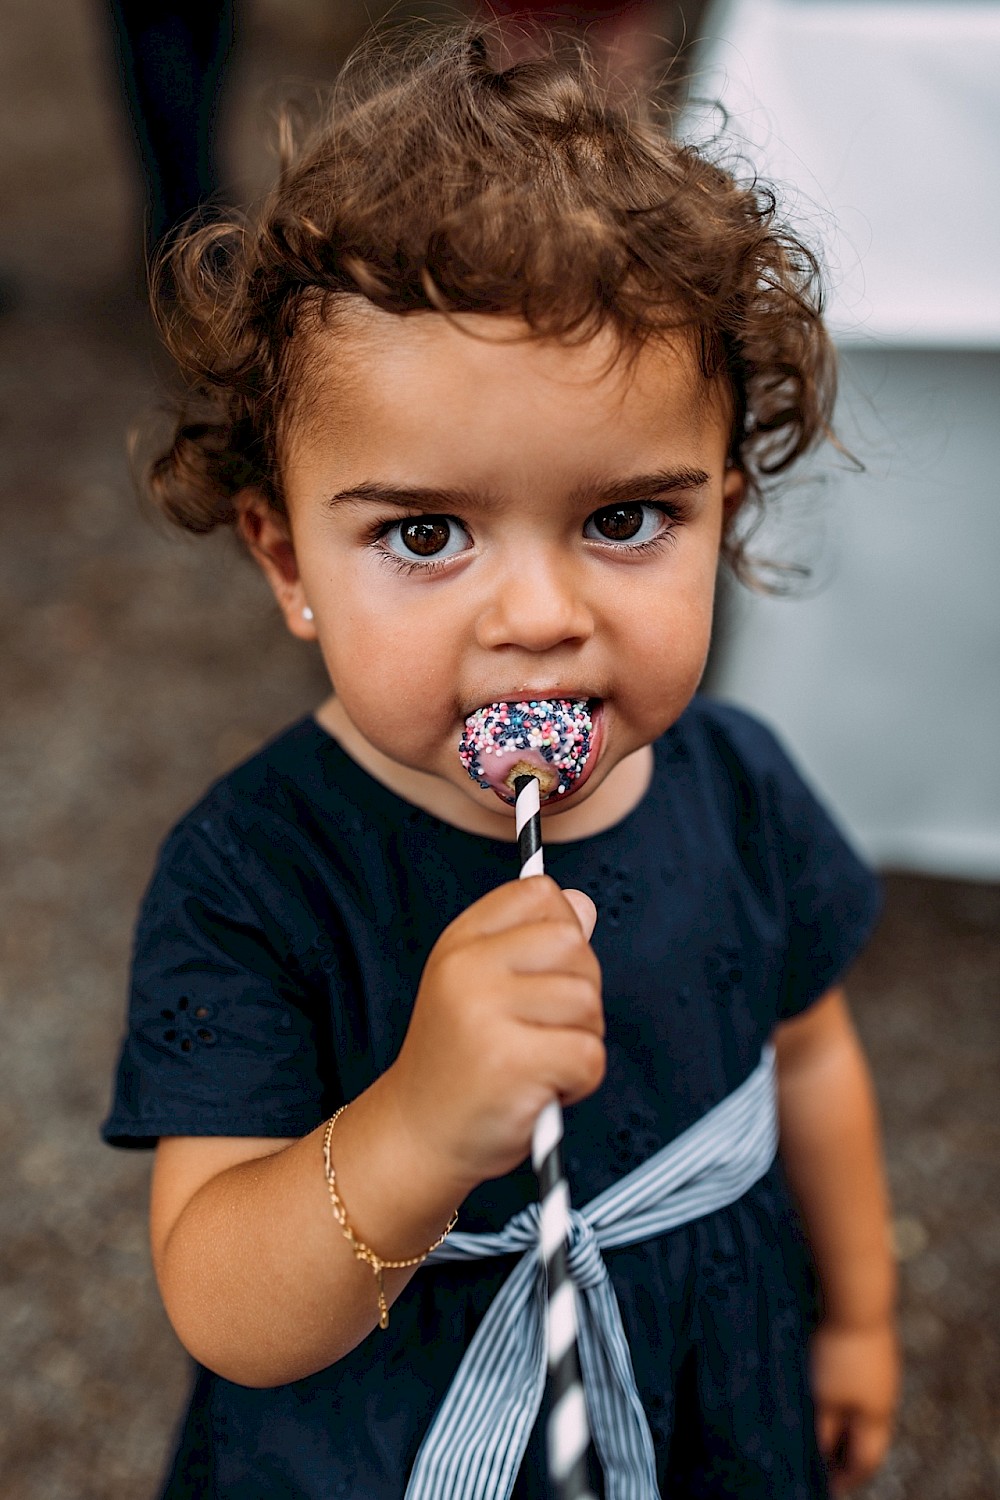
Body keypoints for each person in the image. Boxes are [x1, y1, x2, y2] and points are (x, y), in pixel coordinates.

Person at [102, 26, 899, 1500]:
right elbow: (222, 1304)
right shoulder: (254, 872)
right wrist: (421, 1123)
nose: (538, 618)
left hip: (706, 1396)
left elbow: (810, 1056)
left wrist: (854, 1316)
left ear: (726, 510)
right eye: (424, 534)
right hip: (385, 1448)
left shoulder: (740, 785)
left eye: (625, 520)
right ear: (286, 558)